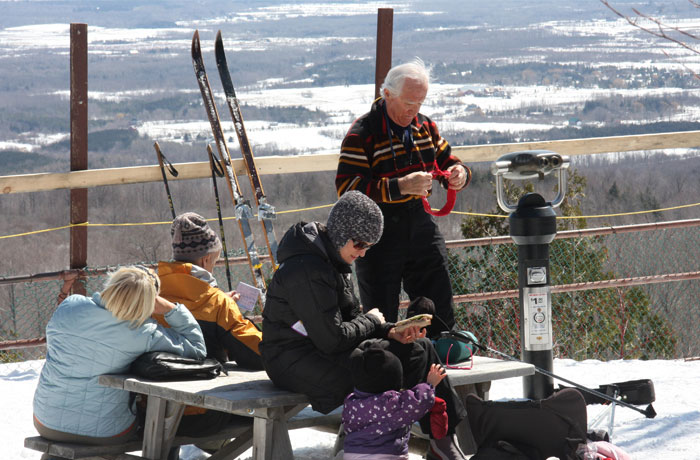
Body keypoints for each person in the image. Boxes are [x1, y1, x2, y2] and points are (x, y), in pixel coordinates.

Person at [260, 191, 468, 460]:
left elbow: (346, 322)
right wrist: (373, 321)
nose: (363, 252)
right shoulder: (306, 270)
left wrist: (391, 330)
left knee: (420, 348)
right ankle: (374, 443)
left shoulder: (332, 260)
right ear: (340, 233)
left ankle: (442, 438)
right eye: (360, 244)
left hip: (320, 349)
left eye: (369, 245)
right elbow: (333, 338)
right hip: (292, 358)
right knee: (381, 369)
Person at [336, 57, 471, 338]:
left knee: (438, 308)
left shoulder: (425, 127)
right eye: (409, 102)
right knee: (381, 312)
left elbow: (449, 161)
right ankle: (384, 370)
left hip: (421, 225)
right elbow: (347, 189)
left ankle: (438, 361)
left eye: (420, 103)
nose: (414, 110)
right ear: (387, 94)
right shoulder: (362, 134)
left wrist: (460, 174)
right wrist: (399, 187)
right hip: (377, 234)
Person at [32, 266, 206, 446]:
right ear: (150, 302)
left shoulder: (71, 305)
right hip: (108, 432)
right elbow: (197, 349)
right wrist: (171, 309)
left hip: (46, 421)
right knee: (162, 422)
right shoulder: (143, 332)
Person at [156, 211, 264, 437]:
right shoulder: (217, 302)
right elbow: (257, 353)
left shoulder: (150, 292)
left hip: (152, 410)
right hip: (203, 413)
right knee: (269, 417)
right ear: (205, 259)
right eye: (214, 262)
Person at [342, 344, 448, 460]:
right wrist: (430, 385)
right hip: (385, 455)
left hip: (351, 454)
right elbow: (418, 402)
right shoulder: (390, 404)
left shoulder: (351, 402)